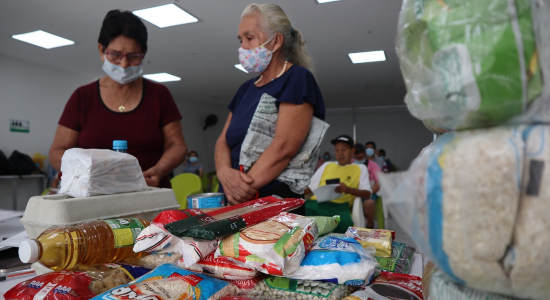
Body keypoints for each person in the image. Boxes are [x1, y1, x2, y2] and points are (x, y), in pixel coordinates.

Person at [49, 10, 187, 188]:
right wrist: (88, 171)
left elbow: (178, 145)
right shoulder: (82, 97)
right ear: (101, 50)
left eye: (133, 57)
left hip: (149, 192)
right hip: (92, 197)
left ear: (143, 52)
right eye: (115, 55)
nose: (123, 64)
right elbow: (56, 152)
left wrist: (159, 169)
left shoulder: (159, 94)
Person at [215, 3, 326, 212]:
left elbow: (284, 147)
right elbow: (222, 142)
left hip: (274, 208)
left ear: (275, 41)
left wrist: (239, 191)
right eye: (240, 40)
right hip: (233, 202)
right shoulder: (245, 89)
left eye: (249, 38)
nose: (242, 47)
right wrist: (223, 172)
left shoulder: (297, 78)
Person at [305, 135, 372, 233]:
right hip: (316, 205)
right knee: (297, 213)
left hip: (340, 208)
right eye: (337, 150)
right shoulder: (327, 165)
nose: (340, 153)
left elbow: (367, 194)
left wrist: (347, 190)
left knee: (345, 223)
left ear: (352, 151)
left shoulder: (360, 168)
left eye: (344, 149)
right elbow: (309, 189)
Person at [353, 143, 381, 228]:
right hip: (352, 191)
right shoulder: (350, 164)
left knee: (369, 203)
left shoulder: (373, 165)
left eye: (361, 157)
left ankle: (369, 223)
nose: (358, 159)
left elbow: (378, 182)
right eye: (356, 157)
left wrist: (369, 192)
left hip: (369, 191)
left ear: (365, 155)